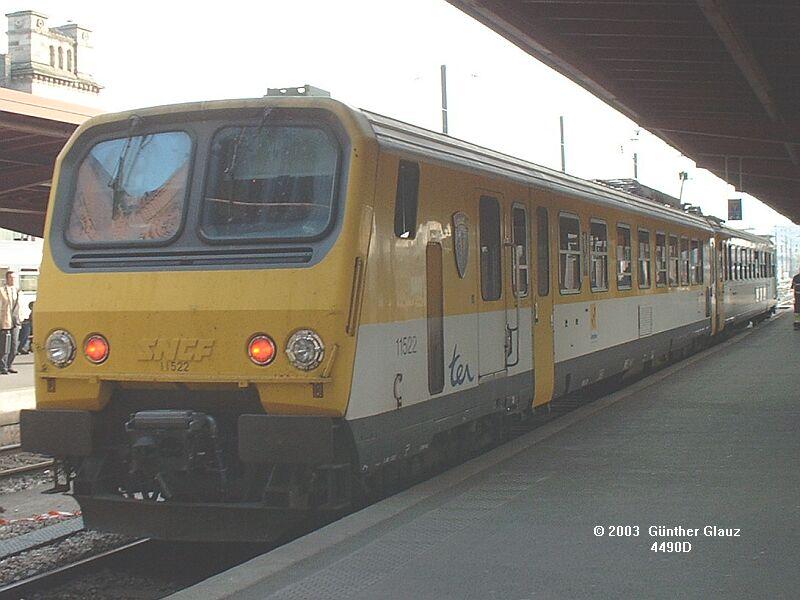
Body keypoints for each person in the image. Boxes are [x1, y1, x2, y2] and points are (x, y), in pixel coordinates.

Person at [0, 271, 20, 374]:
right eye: (11, 278)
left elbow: (18, 306)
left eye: (14, 278)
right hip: (5, 321)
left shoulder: (17, 290)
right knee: (4, 346)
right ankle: (3, 367)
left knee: (14, 345)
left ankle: (9, 365)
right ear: (7, 279)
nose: (13, 280)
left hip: (15, 321)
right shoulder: (2, 291)